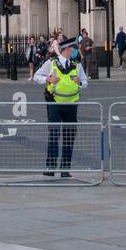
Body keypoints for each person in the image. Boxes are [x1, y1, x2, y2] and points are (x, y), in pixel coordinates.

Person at [32, 39, 87, 178]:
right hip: (54, 103)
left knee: (69, 136)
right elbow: (36, 76)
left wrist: (79, 82)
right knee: (54, 135)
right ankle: (50, 166)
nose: (74, 51)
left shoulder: (77, 65)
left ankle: (65, 168)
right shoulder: (51, 63)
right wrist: (47, 79)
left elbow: (85, 82)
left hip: (71, 104)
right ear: (66, 50)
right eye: (72, 49)